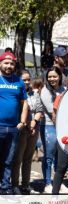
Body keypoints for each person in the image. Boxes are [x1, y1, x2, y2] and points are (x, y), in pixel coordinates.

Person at [0, 52, 28, 194]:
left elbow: (24, 104)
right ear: (0, 64)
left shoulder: (19, 81)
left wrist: (22, 122)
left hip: (13, 128)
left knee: (8, 160)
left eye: (11, 63)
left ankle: (5, 188)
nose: (9, 66)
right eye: (6, 63)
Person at [12, 70, 43, 195]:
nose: (26, 82)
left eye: (28, 79)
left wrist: (34, 121)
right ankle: (14, 185)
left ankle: (25, 185)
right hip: (20, 129)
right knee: (17, 158)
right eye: (24, 79)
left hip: (33, 129)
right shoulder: (16, 92)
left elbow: (39, 109)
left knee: (28, 158)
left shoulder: (34, 93)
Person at [40, 66, 66, 193]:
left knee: (59, 156)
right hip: (49, 125)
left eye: (54, 76)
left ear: (60, 77)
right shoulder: (45, 91)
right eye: (49, 76)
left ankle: (58, 182)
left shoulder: (64, 89)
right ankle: (47, 183)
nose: (52, 79)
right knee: (49, 156)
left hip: (63, 126)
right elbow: (52, 112)